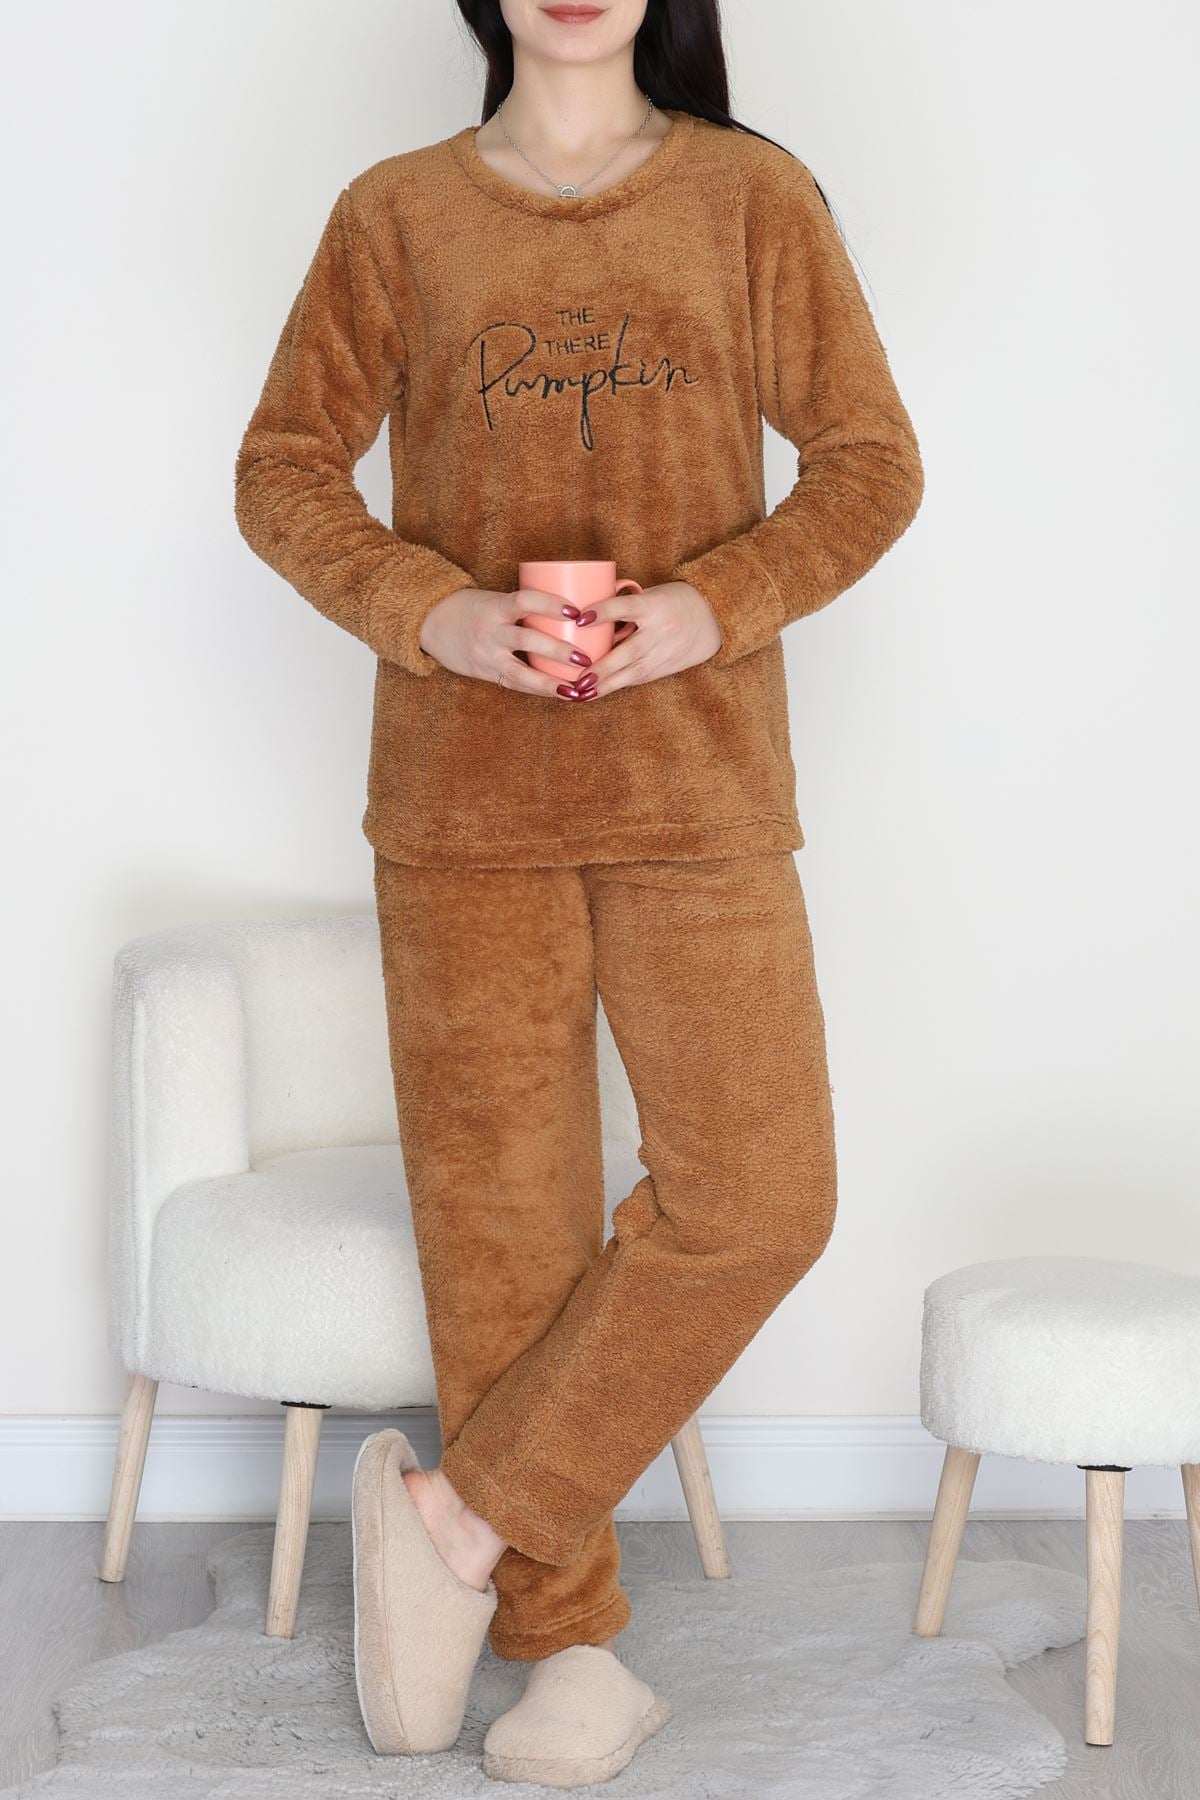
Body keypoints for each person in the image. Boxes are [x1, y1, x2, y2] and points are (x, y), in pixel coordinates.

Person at [233, 0, 924, 1785]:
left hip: (699, 795)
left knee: (759, 1196)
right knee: (502, 1246)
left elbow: (869, 465)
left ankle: (457, 1520)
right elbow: (283, 471)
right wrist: (438, 615)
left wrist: (708, 609)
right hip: (460, 808)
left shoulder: (751, 202)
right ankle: (571, 1652)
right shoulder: (396, 213)